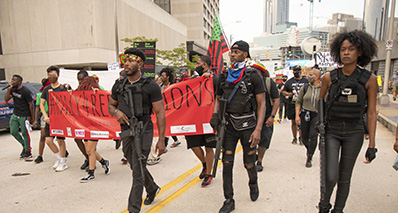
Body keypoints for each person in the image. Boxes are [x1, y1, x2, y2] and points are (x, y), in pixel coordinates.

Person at [318, 30, 378, 213]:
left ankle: (338, 209)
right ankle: (324, 205)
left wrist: (372, 145)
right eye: (343, 49)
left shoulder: (370, 79)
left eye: (351, 49)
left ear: (360, 52)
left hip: (354, 132)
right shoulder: (329, 77)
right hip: (332, 131)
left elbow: (372, 113)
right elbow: (320, 102)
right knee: (330, 176)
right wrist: (319, 124)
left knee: (345, 177)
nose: (346, 53)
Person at [210, 40, 266, 213]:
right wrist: (214, 114)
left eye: (236, 51)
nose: (232, 54)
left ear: (245, 54)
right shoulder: (223, 75)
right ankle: (229, 199)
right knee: (226, 163)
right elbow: (218, 98)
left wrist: (258, 129)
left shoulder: (253, 75)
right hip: (228, 126)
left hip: (248, 125)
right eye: (231, 51)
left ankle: (253, 183)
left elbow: (262, 103)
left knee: (249, 163)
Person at [109, 48, 166, 213]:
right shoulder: (119, 85)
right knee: (134, 165)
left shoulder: (151, 86)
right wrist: (116, 112)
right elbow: (110, 105)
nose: (126, 63)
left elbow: (160, 112)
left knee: (138, 169)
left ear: (140, 63)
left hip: (144, 129)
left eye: (131, 60)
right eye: (125, 60)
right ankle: (152, 187)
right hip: (126, 130)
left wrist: (161, 140)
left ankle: (133, 209)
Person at [184, 55, 216, 187]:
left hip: (208, 118)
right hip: (193, 118)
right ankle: (204, 164)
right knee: (193, 145)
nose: (196, 66)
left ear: (204, 65)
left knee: (209, 146)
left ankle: (209, 173)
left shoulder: (215, 79)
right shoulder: (194, 79)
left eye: (198, 63)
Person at [77, 76, 110, 182]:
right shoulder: (81, 94)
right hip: (86, 125)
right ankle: (104, 162)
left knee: (90, 150)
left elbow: (105, 101)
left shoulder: (98, 93)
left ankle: (91, 173)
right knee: (89, 150)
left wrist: (98, 93)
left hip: (95, 126)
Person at [251, 63, 279, 172]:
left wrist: (272, 116)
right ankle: (252, 155)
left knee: (264, 140)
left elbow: (276, 100)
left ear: (261, 73)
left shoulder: (269, 83)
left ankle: (259, 161)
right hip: (251, 117)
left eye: (254, 71)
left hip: (266, 116)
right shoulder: (248, 83)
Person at [40, 66, 68, 172]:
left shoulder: (62, 88)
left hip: (60, 119)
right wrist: (45, 116)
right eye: (49, 75)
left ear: (58, 75)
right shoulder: (46, 89)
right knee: (48, 141)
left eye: (53, 75)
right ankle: (59, 157)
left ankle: (63, 162)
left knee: (60, 140)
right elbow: (42, 104)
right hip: (50, 119)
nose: (51, 77)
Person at [295, 66, 322, 168]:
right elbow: (298, 102)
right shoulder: (305, 87)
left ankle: (309, 157)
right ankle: (309, 149)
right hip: (305, 114)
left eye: (311, 75)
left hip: (316, 114)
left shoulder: (323, 88)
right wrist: (297, 116)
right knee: (304, 137)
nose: (308, 77)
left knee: (313, 135)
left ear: (317, 76)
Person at [4, 74, 35, 161]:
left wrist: (32, 118)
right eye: (12, 80)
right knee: (13, 131)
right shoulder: (12, 89)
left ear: (20, 82)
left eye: (14, 80)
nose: (12, 81)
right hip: (15, 113)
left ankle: (28, 152)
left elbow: (31, 104)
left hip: (24, 114)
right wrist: (8, 90)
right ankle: (24, 145)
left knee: (25, 133)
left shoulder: (25, 91)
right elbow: (6, 99)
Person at [282, 65, 308, 144]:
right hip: (292, 104)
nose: (297, 72)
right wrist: (288, 94)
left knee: (302, 122)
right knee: (293, 122)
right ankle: (294, 137)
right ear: (293, 72)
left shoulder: (305, 81)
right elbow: (283, 91)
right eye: (295, 70)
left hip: (303, 104)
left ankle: (301, 137)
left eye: (298, 70)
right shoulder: (289, 82)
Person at [159, 67, 181, 149]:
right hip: (162, 109)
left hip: (171, 109)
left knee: (167, 126)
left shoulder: (174, 86)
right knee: (166, 126)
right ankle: (176, 140)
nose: (161, 77)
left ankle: (164, 145)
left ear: (168, 77)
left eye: (163, 76)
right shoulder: (159, 87)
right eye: (161, 76)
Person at [74, 69, 90, 170]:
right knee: (77, 139)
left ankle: (92, 160)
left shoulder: (92, 89)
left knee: (89, 141)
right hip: (80, 120)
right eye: (78, 80)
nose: (80, 82)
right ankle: (88, 158)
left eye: (81, 79)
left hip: (90, 120)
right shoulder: (78, 89)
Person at [32, 78, 51, 163]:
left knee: (58, 137)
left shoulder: (54, 92)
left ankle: (63, 151)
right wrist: (35, 120)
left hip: (55, 116)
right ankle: (40, 155)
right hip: (45, 116)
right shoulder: (40, 95)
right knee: (43, 136)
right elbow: (37, 108)